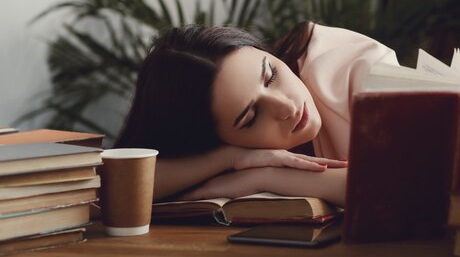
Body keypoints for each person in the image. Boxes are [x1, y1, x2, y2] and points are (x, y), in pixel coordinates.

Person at [115, 22, 399, 207]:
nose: (287, 107)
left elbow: (409, 185)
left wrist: (265, 178)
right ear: (217, 138)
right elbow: (117, 186)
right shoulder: (229, 151)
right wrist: (230, 158)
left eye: (271, 75)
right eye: (250, 117)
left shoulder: (345, 64)